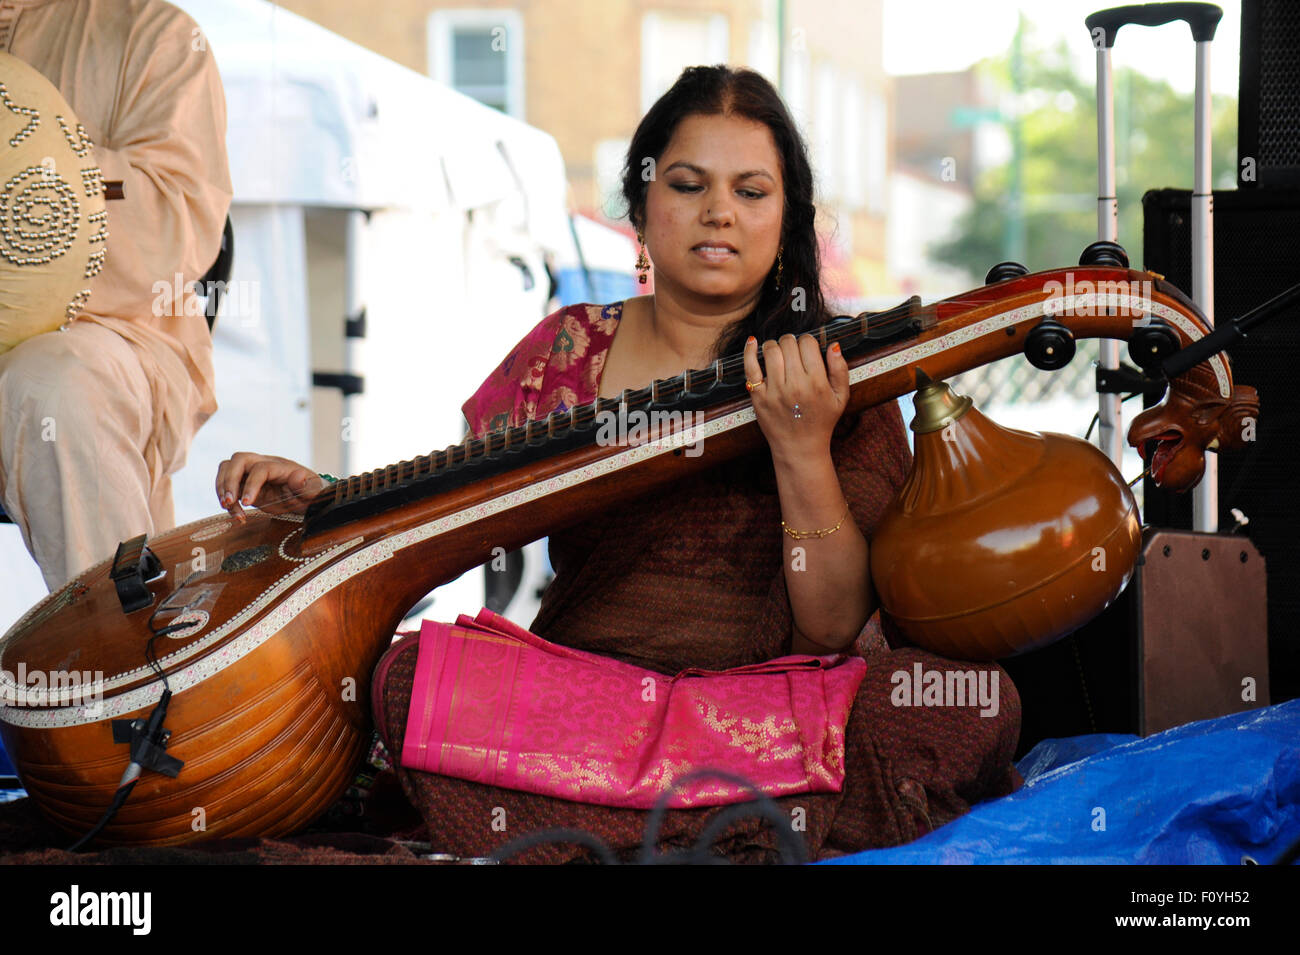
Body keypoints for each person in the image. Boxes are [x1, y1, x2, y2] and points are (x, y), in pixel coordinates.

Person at [216, 65, 1021, 863]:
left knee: (966, 706)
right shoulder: (567, 352)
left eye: (751, 191)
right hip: (590, 704)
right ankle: (730, 827)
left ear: (788, 219)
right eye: (686, 183)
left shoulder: (837, 373)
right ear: (641, 204)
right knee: (410, 676)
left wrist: (801, 447)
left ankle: (596, 826)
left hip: (771, 709)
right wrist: (331, 502)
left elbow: (833, 625)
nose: (718, 212)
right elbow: (450, 521)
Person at [0, 0, 232, 591]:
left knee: (56, 384)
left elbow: (174, 228)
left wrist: (28, 168)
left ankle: (126, 663)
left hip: (109, 333)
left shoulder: (156, 35)